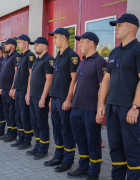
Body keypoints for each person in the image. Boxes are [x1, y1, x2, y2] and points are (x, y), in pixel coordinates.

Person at [96, 13, 140, 180]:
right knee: (115, 147)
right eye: (116, 26)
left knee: (131, 147)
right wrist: (101, 104)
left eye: (120, 25)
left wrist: (135, 107)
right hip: (112, 106)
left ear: (131, 27)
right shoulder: (114, 52)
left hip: (129, 107)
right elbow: (106, 79)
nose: (116, 28)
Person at [67, 32, 107, 180]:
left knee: (93, 141)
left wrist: (100, 109)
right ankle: (83, 167)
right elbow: (76, 83)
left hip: (91, 109)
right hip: (77, 108)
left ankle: (94, 171)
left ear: (91, 43)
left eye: (82, 42)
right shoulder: (82, 62)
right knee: (80, 140)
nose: (79, 44)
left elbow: (103, 86)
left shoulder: (101, 62)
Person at [45, 27, 79, 172]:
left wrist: (69, 99)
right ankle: (58, 156)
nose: (54, 40)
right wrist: (51, 97)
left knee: (67, 130)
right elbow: (56, 79)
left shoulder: (72, 56)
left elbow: (74, 80)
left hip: (65, 100)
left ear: (64, 37)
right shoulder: (58, 56)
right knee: (57, 129)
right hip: (55, 98)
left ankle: (68, 160)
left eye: (56, 37)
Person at [26, 37, 53, 160]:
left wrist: (43, 98)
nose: (34, 47)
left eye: (37, 45)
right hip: (33, 96)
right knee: (34, 122)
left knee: (42, 123)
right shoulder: (37, 60)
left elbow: (49, 80)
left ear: (44, 46)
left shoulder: (49, 60)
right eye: (34, 45)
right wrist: (28, 94)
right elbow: (31, 78)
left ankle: (43, 149)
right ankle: (37, 145)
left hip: (41, 98)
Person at [11, 34, 36, 150]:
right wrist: (14, 88)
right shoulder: (21, 56)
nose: (18, 44)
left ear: (26, 43)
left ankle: (27, 140)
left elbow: (31, 74)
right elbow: (17, 75)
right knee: (18, 115)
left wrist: (28, 92)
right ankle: (20, 137)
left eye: (19, 42)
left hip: (24, 90)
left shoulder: (30, 56)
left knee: (25, 116)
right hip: (18, 90)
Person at [0, 38, 20, 142]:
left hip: (10, 90)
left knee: (12, 112)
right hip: (4, 89)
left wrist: (13, 88)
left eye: (6, 45)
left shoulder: (16, 56)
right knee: (6, 111)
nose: (4, 46)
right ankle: (9, 131)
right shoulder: (7, 57)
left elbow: (16, 73)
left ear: (13, 46)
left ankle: (13, 134)